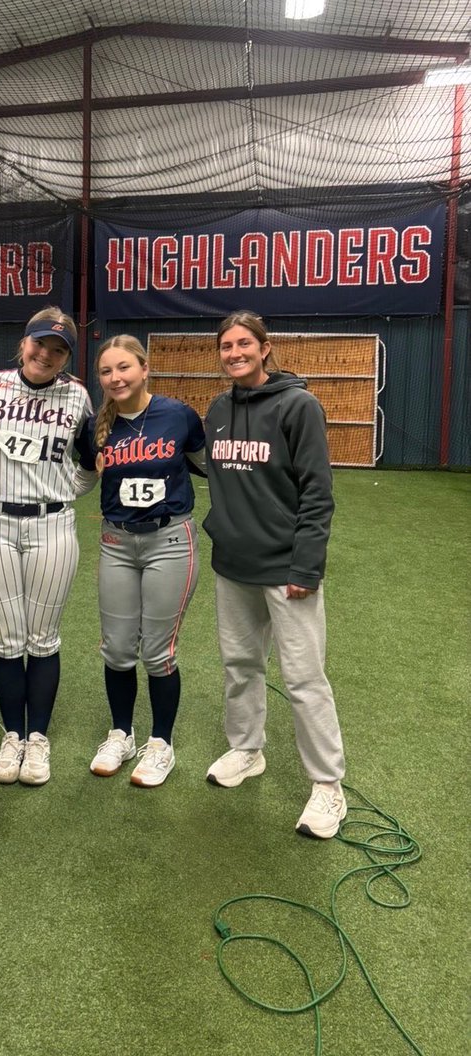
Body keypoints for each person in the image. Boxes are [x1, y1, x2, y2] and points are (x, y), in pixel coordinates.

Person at [203, 310, 347, 839]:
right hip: (233, 566)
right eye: (226, 346)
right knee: (240, 665)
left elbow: (317, 492)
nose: (234, 353)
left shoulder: (299, 405)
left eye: (244, 344)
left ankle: (328, 787)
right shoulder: (217, 408)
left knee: (305, 678)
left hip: (287, 569)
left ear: (266, 348)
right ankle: (247, 750)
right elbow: (211, 468)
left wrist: (307, 564)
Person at [0, 306, 97, 787]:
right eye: (40, 343)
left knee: (42, 639)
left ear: (67, 356)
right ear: (24, 343)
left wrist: (67, 490)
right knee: (5, 639)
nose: (46, 353)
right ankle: (13, 736)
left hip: (52, 526)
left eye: (58, 348)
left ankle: (37, 738)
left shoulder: (78, 395)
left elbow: (88, 458)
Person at [88, 336, 205, 787]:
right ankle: (121, 733)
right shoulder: (97, 425)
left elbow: (207, 464)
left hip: (170, 540)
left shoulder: (177, 414)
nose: (115, 378)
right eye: (106, 372)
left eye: (124, 368)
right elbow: (82, 472)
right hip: (117, 543)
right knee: (117, 648)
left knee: (158, 651)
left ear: (144, 368)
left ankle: (161, 744)